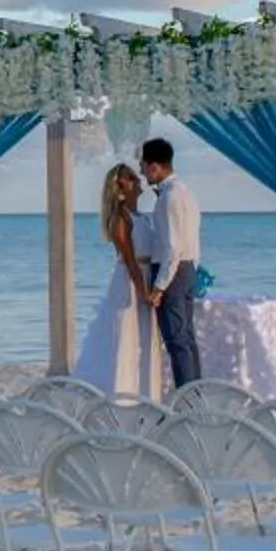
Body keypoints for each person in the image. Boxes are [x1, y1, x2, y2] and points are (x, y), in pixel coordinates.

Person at [70, 163, 165, 399]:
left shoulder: (142, 217)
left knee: (144, 341)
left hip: (146, 275)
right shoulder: (120, 219)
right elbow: (131, 260)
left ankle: (145, 393)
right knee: (126, 339)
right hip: (130, 283)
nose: (137, 180)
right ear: (120, 187)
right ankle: (122, 396)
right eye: (131, 178)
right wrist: (143, 291)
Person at [137, 136, 203, 390]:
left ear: (155, 166)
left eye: (143, 166)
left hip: (173, 273)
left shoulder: (169, 197)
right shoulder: (186, 192)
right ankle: (195, 394)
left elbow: (172, 246)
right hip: (187, 269)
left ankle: (187, 400)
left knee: (177, 341)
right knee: (187, 339)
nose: (142, 172)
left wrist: (159, 287)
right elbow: (193, 238)